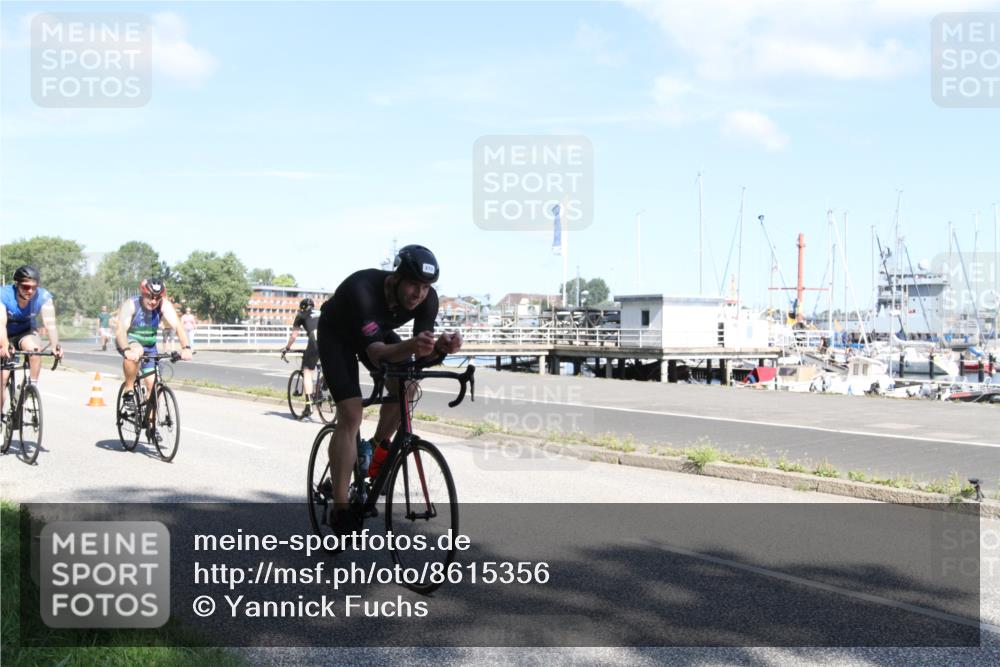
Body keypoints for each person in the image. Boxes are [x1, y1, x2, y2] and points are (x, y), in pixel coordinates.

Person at [318, 245, 463, 534]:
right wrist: (411, 346)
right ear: (395, 278)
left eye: (425, 287)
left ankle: (371, 450)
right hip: (338, 335)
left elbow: (421, 356)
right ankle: (341, 506)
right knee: (351, 413)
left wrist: (440, 350)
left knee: (407, 386)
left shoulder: (427, 300)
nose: (418, 293)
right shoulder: (363, 288)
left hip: (376, 335)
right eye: (413, 284)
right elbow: (376, 354)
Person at [115, 278, 192, 439]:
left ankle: (150, 424)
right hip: (131, 341)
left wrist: (186, 348)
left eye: (157, 298)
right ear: (143, 294)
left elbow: (178, 326)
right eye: (150, 297)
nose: (153, 301)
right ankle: (129, 390)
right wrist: (127, 350)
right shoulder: (131, 304)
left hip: (150, 346)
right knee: (136, 352)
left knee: (154, 386)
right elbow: (121, 331)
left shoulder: (163, 305)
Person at [1, 265, 64, 414]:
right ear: (16, 284)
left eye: (34, 287)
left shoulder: (43, 296)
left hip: (25, 332)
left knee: (34, 350)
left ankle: (31, 390)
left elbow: (50, 324)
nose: (30, 291)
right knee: (2, 379)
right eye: (25, 287)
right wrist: (4, 345)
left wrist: (55, 345)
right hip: (4, 334)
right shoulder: (4, 295)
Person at [282, 298, 320, 418]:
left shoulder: (301, 314)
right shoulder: (320, 312)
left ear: (302, 307)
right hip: (331, 339)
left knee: (307, 371)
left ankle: (308, 406)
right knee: (328, 366)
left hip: (316, 339)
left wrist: (287, 348)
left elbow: (294, 336)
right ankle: (325, 384)